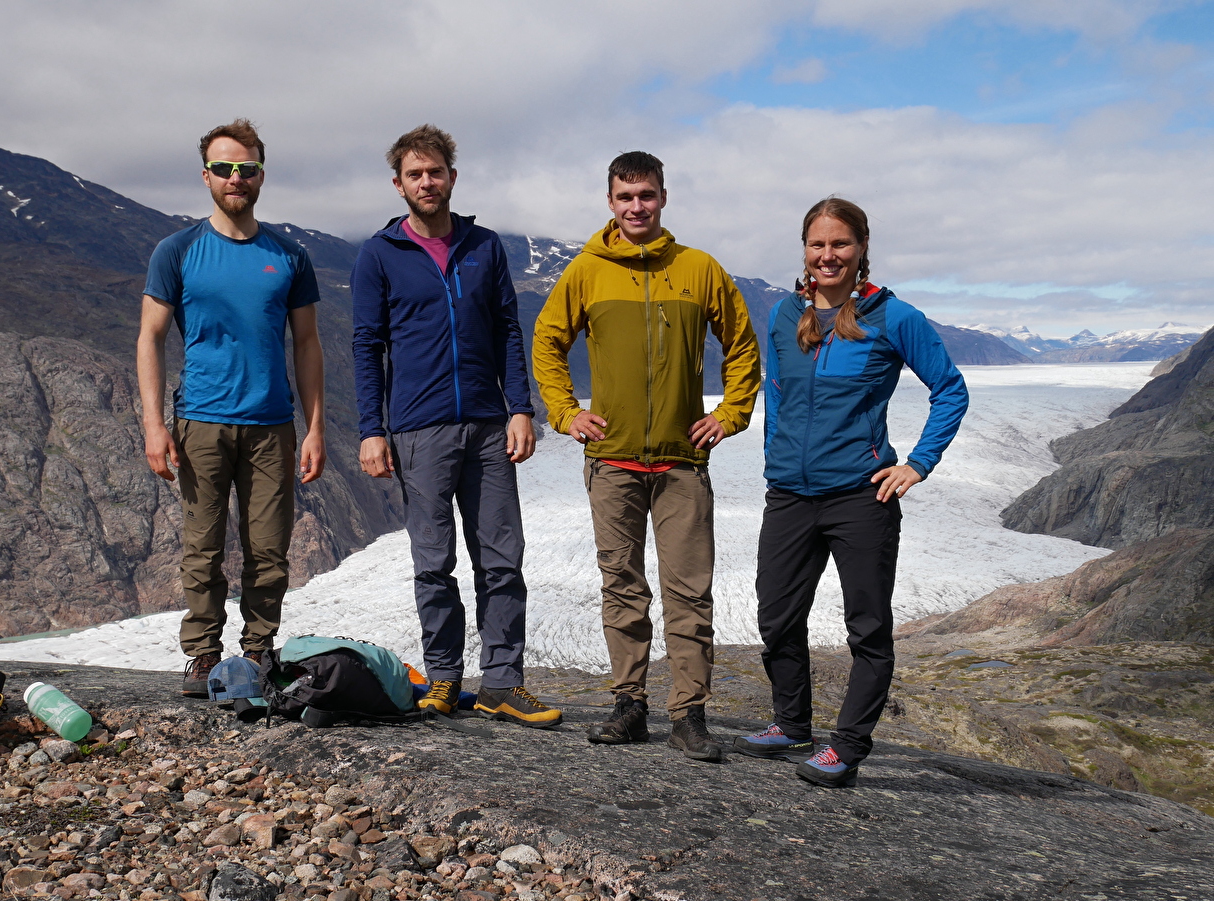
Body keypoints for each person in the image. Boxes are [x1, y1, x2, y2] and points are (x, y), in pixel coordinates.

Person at [533, 151, 761, 761]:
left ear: (664, 198)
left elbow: (742, 347)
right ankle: (629, 704)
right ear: (610, 202)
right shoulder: (587, 271)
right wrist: (564, 411)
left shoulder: (700, 270)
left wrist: (729, 415)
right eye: (626, 197)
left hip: (682, 463)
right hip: (613, 461)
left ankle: (688, 714)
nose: (637, 207)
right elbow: (548, 342)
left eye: (647, 196)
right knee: (622, 586)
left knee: (689, 591)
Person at [737, 196, 968, 786]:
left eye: (840, 244)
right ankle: (792, 724)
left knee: (867, 626)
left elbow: (951, 389)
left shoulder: (894, 317)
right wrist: (775, 461)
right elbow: (781, 392)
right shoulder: (787, 314)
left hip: (860, 496)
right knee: (775, 615)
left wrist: (917, 464)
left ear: (861, 248)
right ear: (805, 250)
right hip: (790, 492)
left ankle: (849, 745)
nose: (828, 255)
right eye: (818, 244)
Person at [352, 124, 561, 728]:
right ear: (399, 184)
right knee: (432, 559)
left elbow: (507, 333)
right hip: (418, 430)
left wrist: (519, 407)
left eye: (435, 172)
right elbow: (367, 346)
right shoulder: (378, 254)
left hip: (488, 427)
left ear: (451, 177)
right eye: (415, 175)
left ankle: (502, 683)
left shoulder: (484, 246)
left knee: (501, 558)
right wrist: (373, 428)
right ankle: (443, 676)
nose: (426, 182)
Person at [138, 118, 326, 697]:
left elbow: (308, 343)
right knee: (203, 548)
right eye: (224, 168)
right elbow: (151, 336)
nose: (235, 178)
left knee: (269, 551)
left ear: (261, 175)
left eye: (246, 169)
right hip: (201, 420)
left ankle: (260, 654)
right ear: (206, 176)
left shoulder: (289, 256)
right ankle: (202, 657)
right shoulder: (178, 251)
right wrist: (152, 423)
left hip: (272, 425)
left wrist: (316, 428)